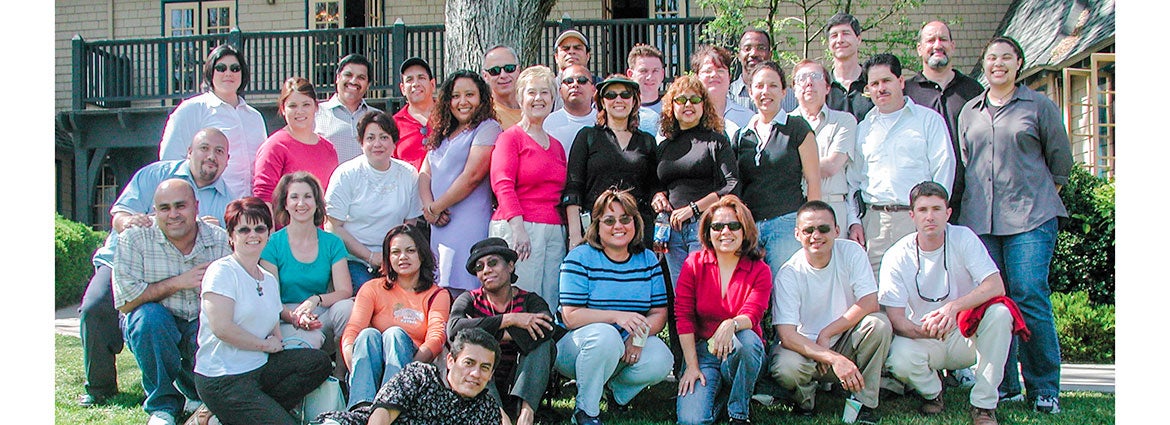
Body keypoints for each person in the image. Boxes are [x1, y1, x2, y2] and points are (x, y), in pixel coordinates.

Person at [78, 128, 236, 408]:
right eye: (204, 148)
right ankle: (100, 387)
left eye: (219, 152)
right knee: (96, 307)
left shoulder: (227, 199)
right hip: (131, 260)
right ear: (189, 152)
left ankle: (189, 384)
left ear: (227, 160)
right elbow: (120, 214)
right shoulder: (154, 175)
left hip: (186, 269)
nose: (211, 156)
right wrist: (132, 224)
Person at [957, 36, 1073, 414]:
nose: (998, 64)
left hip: (1030, 218)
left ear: (1018, 63)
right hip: (981, 220)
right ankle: (1004, 385)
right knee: (993, 302)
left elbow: (1060, 162)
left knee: (1028, 294)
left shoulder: (1038, 106)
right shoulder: (970, 112)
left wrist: (1038, 195)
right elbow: (967, 161)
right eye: (992, 57)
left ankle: (1043, 387)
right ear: (984, 65)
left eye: (1006, 57)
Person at [879, 181, 1017, 425]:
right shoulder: (896, 255)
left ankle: (984, 405)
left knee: (1001, 313)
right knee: (898, 358)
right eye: (922, 210)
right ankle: (933, 392)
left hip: (964, 332)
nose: (930, 217)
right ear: (912, 216)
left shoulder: (964, 238)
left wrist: (953, 309)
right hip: (923, 335)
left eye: (936, 209)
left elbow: (995, 285)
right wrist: (926, 330)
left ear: (948, 213)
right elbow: (896, 318)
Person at [194, 197, 332, 425]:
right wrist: (265, 345)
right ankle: (236, 413)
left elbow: (273, 321)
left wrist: (286, 331)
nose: (253, 235)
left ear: (269, 233)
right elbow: (222, 329)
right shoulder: (221, 272)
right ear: (231, 236)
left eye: (260, 229)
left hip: (260, 367)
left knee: (318, 363)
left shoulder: (267, 279)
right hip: (223, 377)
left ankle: (231, 417)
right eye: (244, 230)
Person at [112, 179, 232, 425]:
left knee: (216, 323)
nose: (173, 214)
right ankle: (163, 407)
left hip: (200, 323)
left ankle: (197, 393)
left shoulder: (220, 240)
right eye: (165, 208)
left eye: (180, 206)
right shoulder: (134, 239)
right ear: (154, 211)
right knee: (148, 319)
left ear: (196, 206)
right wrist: (178, 282)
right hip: (156, 324)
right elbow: (125, 302)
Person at [556, 189, 672, 425]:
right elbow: (570, 316)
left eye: (625, 219)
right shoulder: (579, 258)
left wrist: (638, 336)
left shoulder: (648, 259)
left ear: (635, 222)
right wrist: (617, 317)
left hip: (623, 346)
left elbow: (659, 313)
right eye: (609, 221)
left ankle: (617, 392)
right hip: (576, 349)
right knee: (606, 336)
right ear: (597, 226)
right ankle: (586, 411)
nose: (618, 226)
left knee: (662, 358)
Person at [769, 201, 890, 423]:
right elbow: (787, 335)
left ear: (836, 230)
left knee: (879, 324)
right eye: (808, 230)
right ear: (797, 234)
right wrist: (832, 358)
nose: (816, 236)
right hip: (807, 351)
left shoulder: (852, 252)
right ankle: (806, 402)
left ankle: (864, 403)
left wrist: (828, 333)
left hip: (846, 340)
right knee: (785, 366)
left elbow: (870, 301)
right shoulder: (789, 273)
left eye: (823, 229)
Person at [849, 53, 954, 277]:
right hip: (875, 224)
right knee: (878, 290)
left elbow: (944, 168)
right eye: (874, 84)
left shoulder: (928, 121)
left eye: (886, 81)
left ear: (901, 81)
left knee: (923, 285)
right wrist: (854, 222)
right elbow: (853, 180)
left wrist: (933, 215)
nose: (881, 88)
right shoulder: (864, 129)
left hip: (916, 219)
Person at [674, 195, 772, 425]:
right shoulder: (693, 264)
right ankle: (724, 395)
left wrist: (731, 324)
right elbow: (683, 316)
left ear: (745, 230)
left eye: (734, 225)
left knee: (747, 341)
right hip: (704, 353)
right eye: (717, 226)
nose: (725, 232)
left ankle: (738, 413)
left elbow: (753, 314)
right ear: (708, 232)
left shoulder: (760, 270)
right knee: (691, 421)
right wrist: (691, 366)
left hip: (741, 351)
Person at [448, 237, 559, 425]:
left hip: (520, 378)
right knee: (480, 351)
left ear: (510, 266)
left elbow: (547, 328)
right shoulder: (469, 299)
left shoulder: (530, 300)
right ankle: (500, 417)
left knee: (543, 344)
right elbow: (453, 329)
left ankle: (526, 415)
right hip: (481, 380)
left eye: (493, 263)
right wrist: (510, 319)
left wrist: (483, 330)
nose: (486, 270)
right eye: (480, 267)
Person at [340, 224, 451, 409]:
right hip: (372, 365)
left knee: (394, 335)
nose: (403, 257)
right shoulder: (372, 288)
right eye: (395, 252)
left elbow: (436, 338)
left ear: (422, 255)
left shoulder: (437, 294)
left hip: (412, 366)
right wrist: (356, 367)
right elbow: (353, 329)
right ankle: (361, 409)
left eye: (410, 251)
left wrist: (408, 372)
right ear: (388, 258)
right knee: (367, 335)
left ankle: (389, 408)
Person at [489, 65, 568, 312]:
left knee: (550, 301)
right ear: (520, 97)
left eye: (545, 92)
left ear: (553, 99)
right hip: (520, 227)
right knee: (522, 302)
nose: (538, 98)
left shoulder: (557, 146)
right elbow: (502, 183)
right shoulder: (510, 138)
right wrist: (518, 228)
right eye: (531, 92)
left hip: (553, 230)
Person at [732, 60, 821, 276]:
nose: (766, 92)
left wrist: (812, 224)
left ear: (783, 91)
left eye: (773, 85)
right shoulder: (742, 135)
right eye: (759, 86)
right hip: (750, 227)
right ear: (750, 92)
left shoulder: (797, 128)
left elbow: (813, 180)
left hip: (786, 223)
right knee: (753, 289)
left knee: (784, 286)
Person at [419, 70, 501, 296]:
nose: (462, 102)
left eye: (470, 95)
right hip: (439, 224)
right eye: (455, 96)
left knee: (467, 290)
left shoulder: (487, 128)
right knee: (441, 290)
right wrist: (428, 208)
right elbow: (424, 173)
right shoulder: (443, 133)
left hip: (468, 223)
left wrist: (436, 208)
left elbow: (472, 176)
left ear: (482, 98)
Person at [317, 328, 504, 425]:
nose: (475, 373)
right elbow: (383, 413)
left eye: (485, 367)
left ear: (491, 374)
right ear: (450, 361)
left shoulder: (487, 410)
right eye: (469, 363)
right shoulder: (420, 376)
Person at [654, 74, 739, 283]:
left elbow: (731, 185)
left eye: (694, 99)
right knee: (680, 295)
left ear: (704, 105)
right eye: (681, 100)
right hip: (671, 232)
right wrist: (657, 195)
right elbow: (656, 183)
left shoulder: (716, 141)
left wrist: (693, 209)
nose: (688, 105)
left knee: (704, 292)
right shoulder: (664, 146)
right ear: (671, 106)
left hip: (704, 226)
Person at [326, 110, 422, 290]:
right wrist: (370, 256)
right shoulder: (346, 174)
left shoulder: (408, 174)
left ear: (394, 141)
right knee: (371, 293)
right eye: (370, 138)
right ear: (361, 142)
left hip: (395, 258)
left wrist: (393, 256)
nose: (377, 144)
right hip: (353, 259)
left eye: (384, 137)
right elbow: (333, 226)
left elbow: (410, 223)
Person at [563, 74, 661, 251]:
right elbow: (574, 187)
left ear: (634, 101)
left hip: (636, 232)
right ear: (602, 102)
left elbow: (654, 187)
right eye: (611, 95)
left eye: (625, 94)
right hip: (595, 231)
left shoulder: (647, 141)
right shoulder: (587, 137)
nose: (618, 100)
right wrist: (575, 235)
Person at [260, 172, 355, 353]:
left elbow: (344, 291)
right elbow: (271, 299)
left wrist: (315, 300)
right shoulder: (272, 244)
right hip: (286, 317)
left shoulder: (332, 242)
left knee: (347, 309)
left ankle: (342, 369)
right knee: (304, 349)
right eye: (294, 197)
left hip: (321, 311)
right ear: (285, 203)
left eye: (308, 197)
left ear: (317, 203)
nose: (301, 203)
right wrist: (295, 317)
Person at [159, 44, 267, 198]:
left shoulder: (255, 117)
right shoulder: (192, 109)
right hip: (208, 203)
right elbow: (170, 161)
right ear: (211, 72)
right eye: (221, 68)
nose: (228, 73)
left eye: (235, 68)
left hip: (249, 206)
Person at [904, 21, 985, 222]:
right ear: (919, 49)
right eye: (930, 40)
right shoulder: (907, 93)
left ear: (953, 45)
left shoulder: (973, 90)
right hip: (924, 203)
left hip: (969, 199)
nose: (937, 45)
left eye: (943, 39)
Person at [790, 60, 861, 238]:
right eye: (802, 78)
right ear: (793, 88)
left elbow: (831, 166)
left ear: (828, 87)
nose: (809, 82)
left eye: (815, 76)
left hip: (833, 207)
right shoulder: (784, 124)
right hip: (793, 210)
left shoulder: (844, 121)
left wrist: (788, 167)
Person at [252, 77, 340, 205]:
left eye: (306, 105)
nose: (300, 111)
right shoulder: (275, 146)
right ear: (283, 109)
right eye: (293, 106)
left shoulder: (328, 148)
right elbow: (264, 195)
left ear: (316, 107)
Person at [316, 53, 382, 163]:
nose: (353, 81)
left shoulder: (378, 117)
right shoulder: (317, 114)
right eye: (348, 75)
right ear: (338, 78)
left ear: (368, 84)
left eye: (361, 77)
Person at [728, 29, 798, 114]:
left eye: (761, 48)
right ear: (738, 55)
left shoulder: (792, 98)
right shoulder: (728, 96)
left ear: (770, 54)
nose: (753, 53)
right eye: (747, 49)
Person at [691, 45, 754, 139]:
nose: (714, 75)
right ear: (696, 77)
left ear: (729, 76)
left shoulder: (748, 118)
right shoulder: (688, 116)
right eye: (708, 71)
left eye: (720, 71)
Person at [823, 13, 875, 122]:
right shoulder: (822, 86)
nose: (840, 40)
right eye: (834, 35)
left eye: (846, 33)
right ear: (828, 43)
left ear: (858, 39)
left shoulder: (874, 82)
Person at [391, 57, 436, 171]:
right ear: (402, 89)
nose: (415, 84)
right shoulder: (393, 124)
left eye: (421, 78)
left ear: (432, 84)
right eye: (409, 80)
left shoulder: (450, 115)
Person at [543, 64, 598, 155]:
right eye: (568, 81)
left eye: (582, 80)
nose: (575, 85)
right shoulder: (547, 123)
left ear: (593, 89)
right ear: (560, 91)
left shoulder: (603, 121)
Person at [483, 45, 524, 129]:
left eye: (509, 68)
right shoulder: (484, 115)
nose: (503, 75)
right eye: (495, 71)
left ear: (518, 70)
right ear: (485, 76)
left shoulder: (535, 106)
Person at [626, 44, 666, 113]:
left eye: (655, 71)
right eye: (644, 71)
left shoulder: (673, 111)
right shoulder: (622, 112)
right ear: (630, 74)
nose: (650, 77)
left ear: (662, 74)